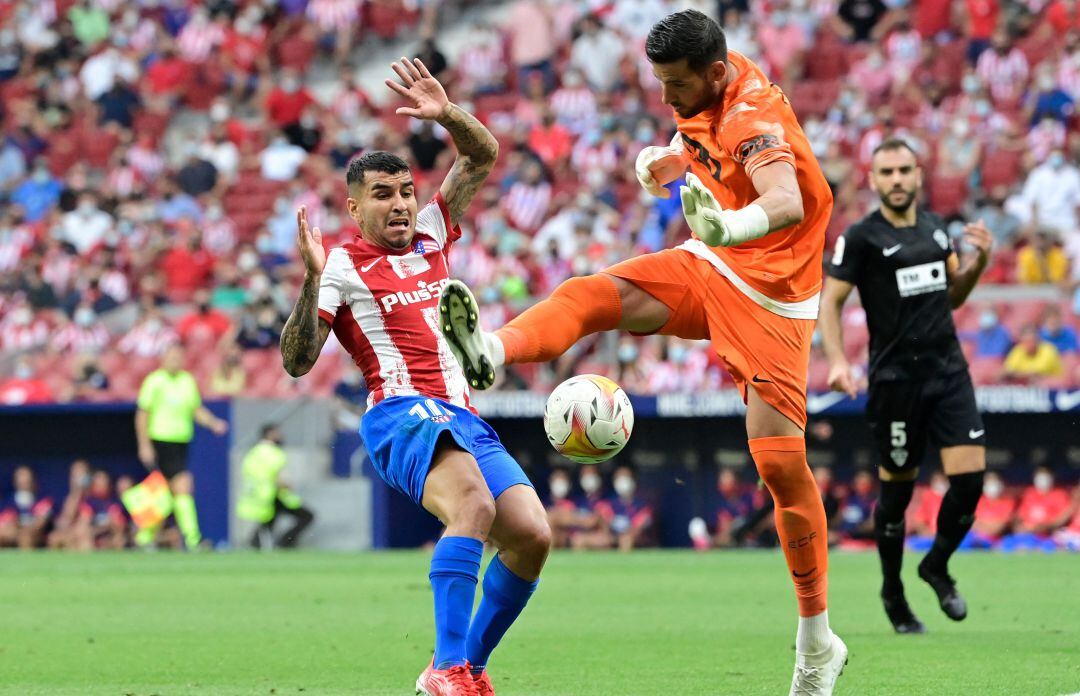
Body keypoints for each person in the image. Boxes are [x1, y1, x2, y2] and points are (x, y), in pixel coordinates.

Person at [438, 11, 846, 691]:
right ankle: (491, 349)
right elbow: (702, 134)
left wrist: (735, 222)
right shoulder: (708, 87)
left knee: (779, 466)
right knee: (596, 293)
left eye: (675, 85)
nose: (665, 97)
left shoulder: (753, 114)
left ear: (714, 74)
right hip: (713, 264)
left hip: (776, 296)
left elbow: (787, 198)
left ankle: (816, 641)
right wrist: (671, 157)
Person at [279, 57, 550, 696]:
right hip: (401, 412)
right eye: (383, 196)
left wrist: (448, 113)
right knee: (474, 506)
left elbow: (481, 158)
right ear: (354, 206)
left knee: (532, 538)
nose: (401, 206)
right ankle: (452, 668)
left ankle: (458, 672)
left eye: (404, 192)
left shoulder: (433, 234)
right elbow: (296, 360)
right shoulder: (343, 265)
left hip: (462, 415)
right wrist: (314, 278)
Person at [819, 138, 994, 634]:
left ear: (919, 175)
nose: (896, 180)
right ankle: (893, 591)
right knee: (896, 498)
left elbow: (953, 297)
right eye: (886, 172)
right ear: (873, 180)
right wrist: (836, 359)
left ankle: (935, 565)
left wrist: (977, 263)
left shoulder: (938, 231)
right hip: (895, 382)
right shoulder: (860, 238)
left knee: (970, 482)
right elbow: (831, 302)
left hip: (947, 373)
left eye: (903, 171)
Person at [135, 344, 229, 550]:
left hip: (181, 442)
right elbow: (143, 414)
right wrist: (144, 445)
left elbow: (196, 410)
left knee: (169, 492)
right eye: (172, 356)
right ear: (163, 358)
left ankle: (145, 537)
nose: (176, 360)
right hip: (160, 440)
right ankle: (192, 538)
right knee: (177, 488)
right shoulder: (154, 381)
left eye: (179, 356)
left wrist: (214, 423)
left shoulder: (187, 381)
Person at [237, 424, 315, 549]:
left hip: (258, 495)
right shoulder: (274, 453)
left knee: (269, 519)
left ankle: (256, 541)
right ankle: (284, 542)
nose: (280, 436)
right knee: (307, 516)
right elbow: (274, 475)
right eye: (277, 433)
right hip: (273, 493)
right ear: (270, 434)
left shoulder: (252, 453)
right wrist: (287, 485)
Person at [0, 466, 54, 549]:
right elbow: (4, 523)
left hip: (37, 537)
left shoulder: (43, 502)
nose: (24, 482)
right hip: (13, 534)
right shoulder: (7, 502)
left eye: (27, 480)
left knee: (26, 537)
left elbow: (39, 525)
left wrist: (19, 526)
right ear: (15, 482)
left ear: (33, 482)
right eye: (21, 480)